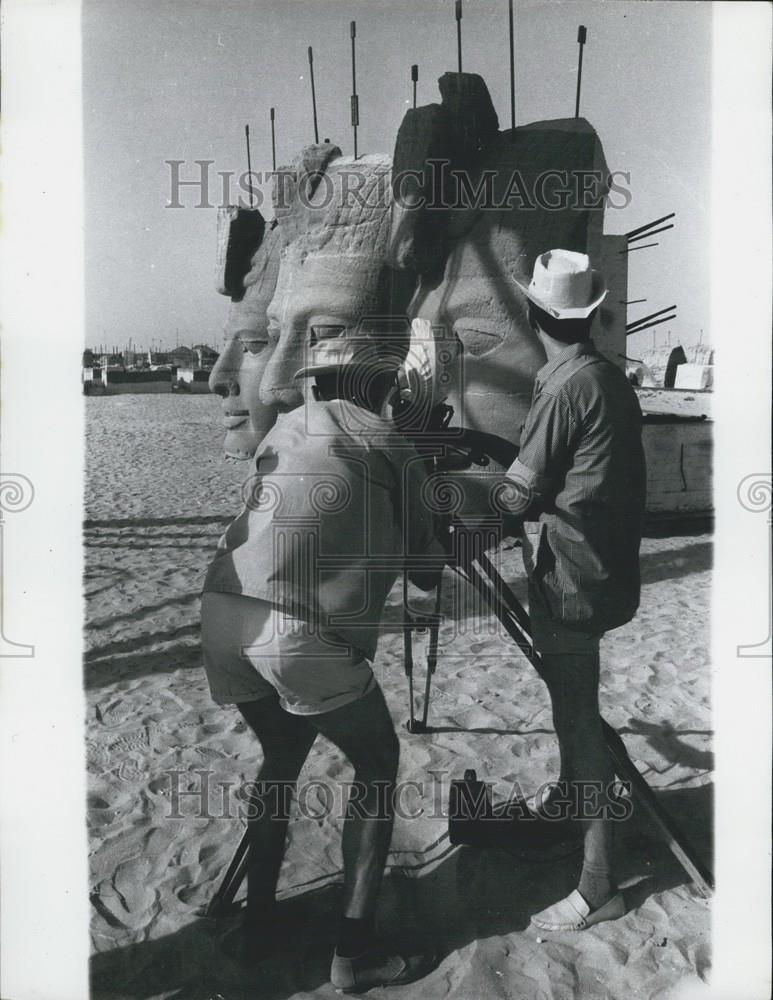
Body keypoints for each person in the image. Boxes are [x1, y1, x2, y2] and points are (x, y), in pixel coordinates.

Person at [200, 326, 443, 990]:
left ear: (314, 380)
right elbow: (428, 573)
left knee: (281, 758)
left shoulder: (281, 427)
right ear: (377, 383)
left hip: (222, 609)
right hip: (297, 630)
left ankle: (259, 926)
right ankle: (353, 956)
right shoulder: (391, 442)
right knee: (377, 762)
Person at [505, 249, 646, 932]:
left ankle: (598, 885)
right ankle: (567, 810)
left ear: (533, 311)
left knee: (577, 723)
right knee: (575, 711)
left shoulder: (563, 388)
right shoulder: (604, 376)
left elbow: (517, 494)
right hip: (604, 571)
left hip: (572, 579)